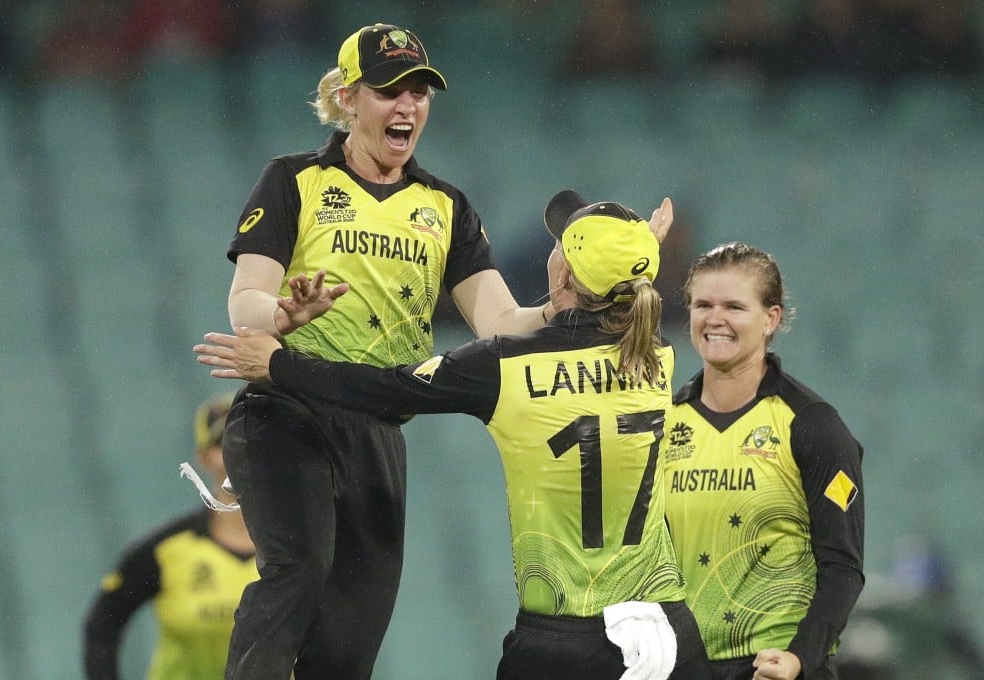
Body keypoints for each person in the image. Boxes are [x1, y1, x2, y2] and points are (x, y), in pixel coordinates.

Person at [214, 22, 652, 680]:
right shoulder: (293, 181)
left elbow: (499, 321)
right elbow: (245, 300)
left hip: (378, 430)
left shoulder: (445, 207)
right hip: (285, 410)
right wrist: (281, 312)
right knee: (298, 570)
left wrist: (564, 307)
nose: (409, 106)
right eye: (391, 90)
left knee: (353, 635)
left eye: (420, 91)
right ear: (349, 97)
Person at [194, 190, 714, 680]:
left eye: (561, 245)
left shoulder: (506, 366)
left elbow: (386, 389)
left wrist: (280, 366)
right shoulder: (657, 355)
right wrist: (634, 252)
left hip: (565, 641)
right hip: (669, 634)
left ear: (562, 275)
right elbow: (618, 304)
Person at [661, 241, 865, 680]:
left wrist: (798, 660)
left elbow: (842, 568)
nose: (715, 319)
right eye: (703, 305)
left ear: (771, 319)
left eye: (734, 306)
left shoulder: (814, 427)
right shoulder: (661, 425)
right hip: (681, 668)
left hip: (772, 669)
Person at [83, 393, 257, 680]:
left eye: (252, 436)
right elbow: (103, 623)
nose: (239, 449)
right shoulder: (167, 551)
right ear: (202, 458)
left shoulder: (310, 547)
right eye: (222, 441)